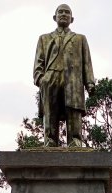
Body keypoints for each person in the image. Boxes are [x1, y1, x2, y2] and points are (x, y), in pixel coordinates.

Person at [33, 4, 95, 148]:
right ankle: (50, 140)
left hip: (73, 79)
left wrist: (90, 82)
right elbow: (38, 62)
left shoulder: (80, 39)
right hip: (51, 78)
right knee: (50, 111)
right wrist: (41, 79)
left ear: (72, 19)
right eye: (60, 12)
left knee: (73, 110)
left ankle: (75, 140)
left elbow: (87, 62)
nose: (63, 14)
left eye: (67, 12)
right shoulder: (44, 38)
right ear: (54, 17)